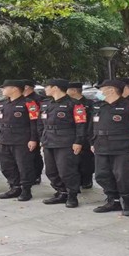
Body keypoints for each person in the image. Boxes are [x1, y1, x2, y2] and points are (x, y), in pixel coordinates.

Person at [89, 80, 129, 216]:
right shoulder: (98, 106)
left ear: (111, 90)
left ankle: (128, 204)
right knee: (102, 175)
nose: (99, 92)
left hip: (122, 147)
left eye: (101, 89)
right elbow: (90, 127)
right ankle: (113, 201)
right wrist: (92, 142)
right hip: (101, 146)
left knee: (124, 177)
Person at [38, 79, 87, 208]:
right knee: (51, 171)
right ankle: (61, 192)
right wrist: (41, 138)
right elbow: (40, 123)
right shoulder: (46, 104)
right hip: (48, 140)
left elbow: (81, 125)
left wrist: (78, 141)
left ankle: (72, 195)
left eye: (47, 86)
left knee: (67, 171)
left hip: (66, 141)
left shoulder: (74, 104)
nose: (45, 89)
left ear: (55, 88)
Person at [0, 80, 40, 201]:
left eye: (5, 87)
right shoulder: (1, 103)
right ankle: (14, 187)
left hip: (21, 140)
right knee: (6, 166)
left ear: (14, 89)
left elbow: (34, 123)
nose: (2, 90)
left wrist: (33, 139)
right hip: (4, 139)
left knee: (24, 166)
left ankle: (26, 190)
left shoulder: (29, 103)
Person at [67, 82, 95, 189]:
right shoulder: (69, 103)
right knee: (73, 160)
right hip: (73, 135)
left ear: (74, 90)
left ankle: (87, 180)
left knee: (86, 160)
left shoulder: (89, 103)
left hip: (86, 136)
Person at [23, 80, 45, 185]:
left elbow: (38, 118)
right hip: (23, 131)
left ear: (27, 87)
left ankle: (37, 175)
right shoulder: (22, 99)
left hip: (35, 129)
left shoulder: (38, 99)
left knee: (35, 155)